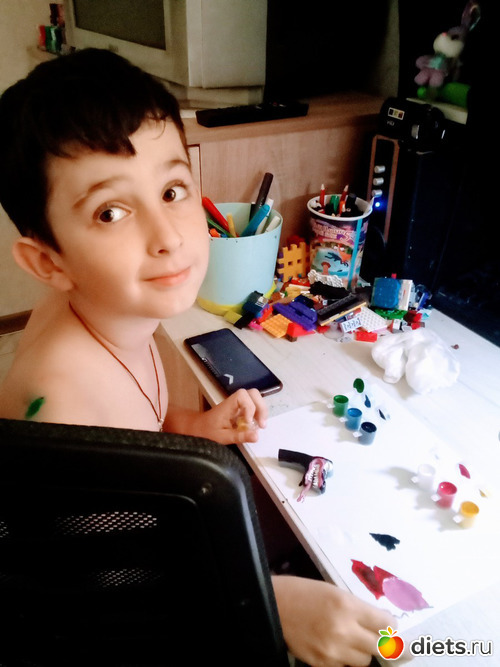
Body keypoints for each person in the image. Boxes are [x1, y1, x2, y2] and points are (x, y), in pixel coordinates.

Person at [0, 49, 394, 666]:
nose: (168, 236)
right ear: (49, 262)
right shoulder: (66, 403)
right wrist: (266, 601)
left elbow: (139, 430)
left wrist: (197, 428)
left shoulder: (112, 308)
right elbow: (107, 593)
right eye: (110, 212)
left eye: (172, 190)